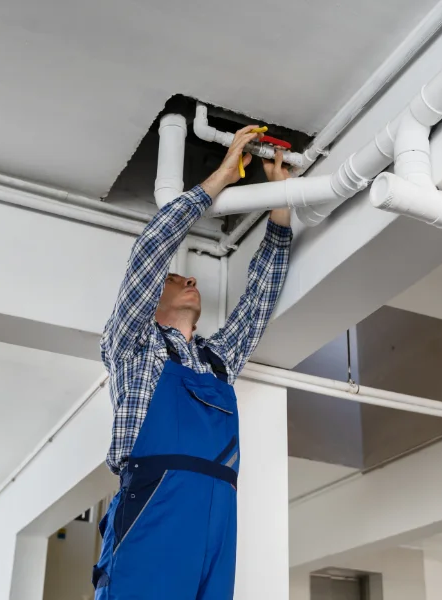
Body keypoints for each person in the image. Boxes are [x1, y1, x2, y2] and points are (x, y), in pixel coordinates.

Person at [93, 124, 292, 600]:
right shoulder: (132, 348)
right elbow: (150, 251)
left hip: (219, 519)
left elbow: (260, 300)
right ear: (149, 302)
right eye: (175, 278)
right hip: (155, 511)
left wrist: (282, 200)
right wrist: (221, 178)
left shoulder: (217, 362)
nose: (188, 280)